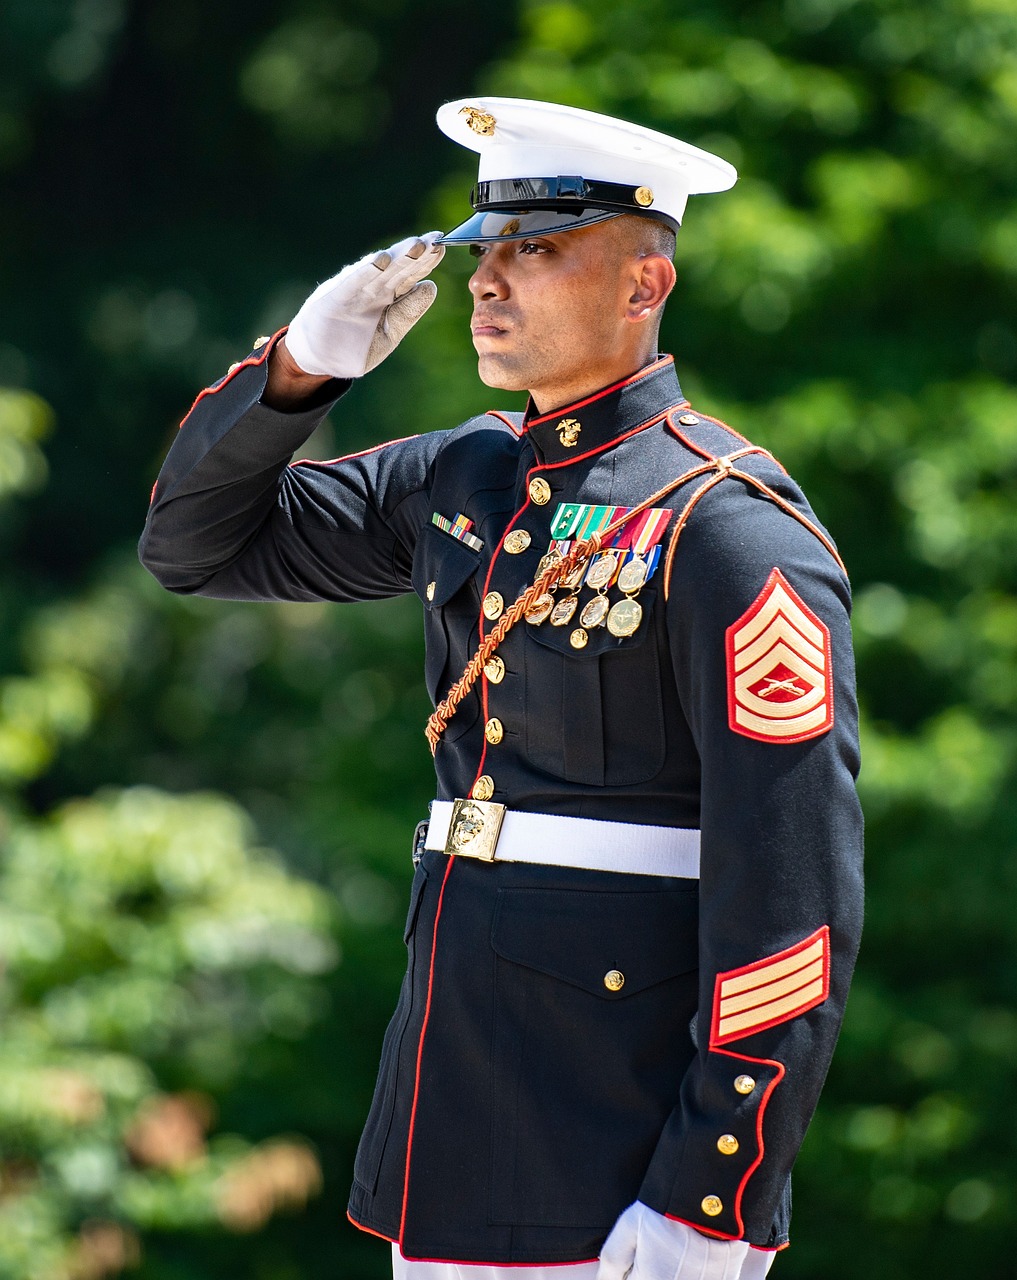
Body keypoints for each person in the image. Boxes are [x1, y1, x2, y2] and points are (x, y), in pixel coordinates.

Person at [140, 97, 864, 1280]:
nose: (490, 283)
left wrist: (710, 1194)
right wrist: (300, 371)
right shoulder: (469, 472)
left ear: (645, 288)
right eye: (488, 254)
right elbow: (194, 548)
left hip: (620, 1147)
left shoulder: (726, 526)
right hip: (449, 1110)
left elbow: (792, 899)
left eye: (540, 250)